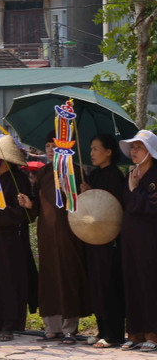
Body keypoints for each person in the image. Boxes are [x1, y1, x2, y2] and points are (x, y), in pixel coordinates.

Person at [19, 132, 91, 345]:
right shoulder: (43, 173)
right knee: (49, 277)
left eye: (55, 145)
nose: (50, 149)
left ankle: (70, 328)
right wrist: (30, 205)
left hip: (70, 233)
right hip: (46, 234)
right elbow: (38, 206)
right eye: (48, 145)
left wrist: (84, 190)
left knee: (68, 276)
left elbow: (85, 204)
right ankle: (52, 326)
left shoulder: (77, 172)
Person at [0, 135, 37, 342]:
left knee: (8, 281)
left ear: (3, 160)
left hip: (10, 240)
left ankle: (9, 325)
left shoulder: (18, 179)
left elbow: (24, 212)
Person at [78, 133, 126, 348]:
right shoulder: (94, 175)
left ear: (109, 151)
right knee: (96, 285)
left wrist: (94, 194)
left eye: (96, 149)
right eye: (90, 149)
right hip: (93, 238)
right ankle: (101, 330)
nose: (92, 153)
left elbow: (113, 208)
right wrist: (87, 192)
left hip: (110, 241)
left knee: (109, 285)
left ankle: (114, 334)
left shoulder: (116, 176)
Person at [117, 129, 157, 351]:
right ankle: (135, 332)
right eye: (132, 147)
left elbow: (150, 207)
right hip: (130, 239)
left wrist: (134, 191)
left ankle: (153, 333)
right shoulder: (131, 175)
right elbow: (126, 206)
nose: (134, 151)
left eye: (139, 147)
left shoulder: (154, 177)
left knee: (149, 283)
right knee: (131, 282)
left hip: (150, 240)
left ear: (150, 151)